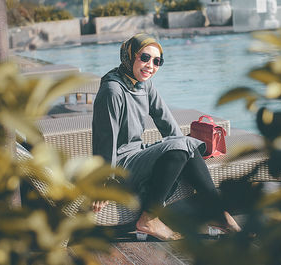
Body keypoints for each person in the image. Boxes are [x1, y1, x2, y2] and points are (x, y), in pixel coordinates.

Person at [92, 33, 240, 241]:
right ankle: (149, 219)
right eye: (144, 57)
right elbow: (104, 140)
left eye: (157, 61)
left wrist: (190, 152)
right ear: (130, 55)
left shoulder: (145, 85)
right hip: (120, 164)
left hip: (138, 154)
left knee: (182, 147)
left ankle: (218, 214)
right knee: (182, 146)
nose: (150, 65)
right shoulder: (112, 90)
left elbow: (168, 125)